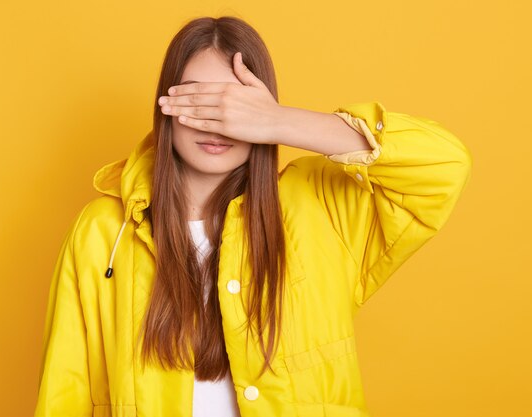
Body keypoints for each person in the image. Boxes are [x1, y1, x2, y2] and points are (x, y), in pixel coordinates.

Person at [33, 15, 472, 417]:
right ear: (165, 105)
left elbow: (444, 165)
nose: (216, 123)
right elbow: (65, 394)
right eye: (199, 102)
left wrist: (279, 122)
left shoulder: (319, 207)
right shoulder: (103, 232)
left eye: (236, 106)